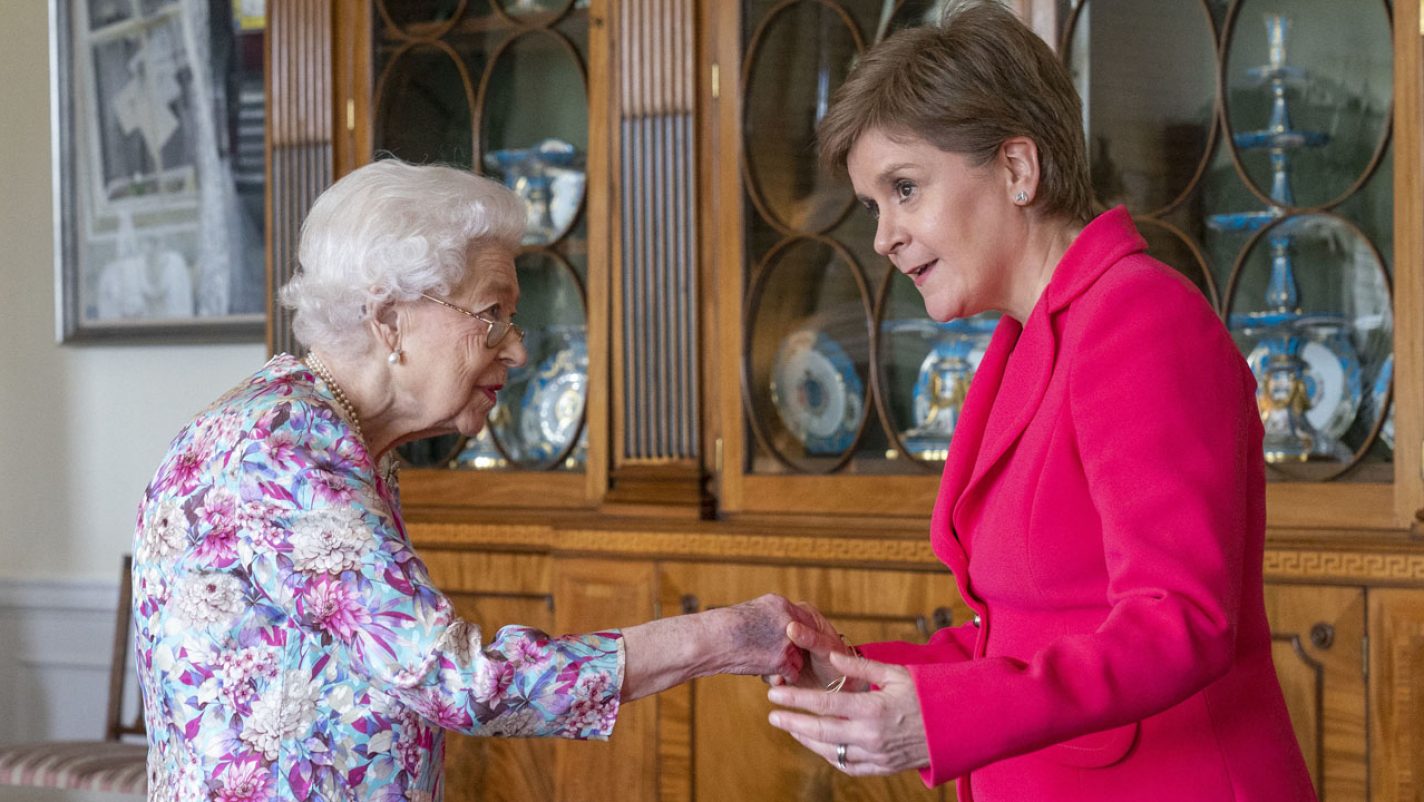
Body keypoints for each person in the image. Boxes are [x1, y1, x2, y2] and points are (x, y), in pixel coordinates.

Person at [763, 3, 1317, 800]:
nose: (883, 236)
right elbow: (1022, 633)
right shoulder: (1028, 340)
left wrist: (943, 719)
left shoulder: (1139, 317)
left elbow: (1179, 622)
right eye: (874, 206)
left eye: (905, 189)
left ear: (1018, 170)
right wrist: (852, 675)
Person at [131, 158, 811, 802]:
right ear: (390, 319)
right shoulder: (280, 450)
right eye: (493, 316)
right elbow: (460, 683)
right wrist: (721, 637)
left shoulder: (323, 435)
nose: (516, 347)